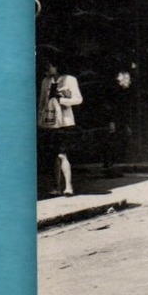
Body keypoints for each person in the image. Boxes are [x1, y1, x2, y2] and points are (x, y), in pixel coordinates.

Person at [37, 61, 82, 197]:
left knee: (63, 154)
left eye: (50, 65)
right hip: (49, 122)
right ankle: (56, 186)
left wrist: (62, 101)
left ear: (57, 66)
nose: (47, 68)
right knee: (53, 156)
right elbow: (42, 101)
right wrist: (40, 118)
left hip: (65, 122)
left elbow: (78, 99)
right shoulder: (46, 81)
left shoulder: (69, 79)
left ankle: (68, 186)